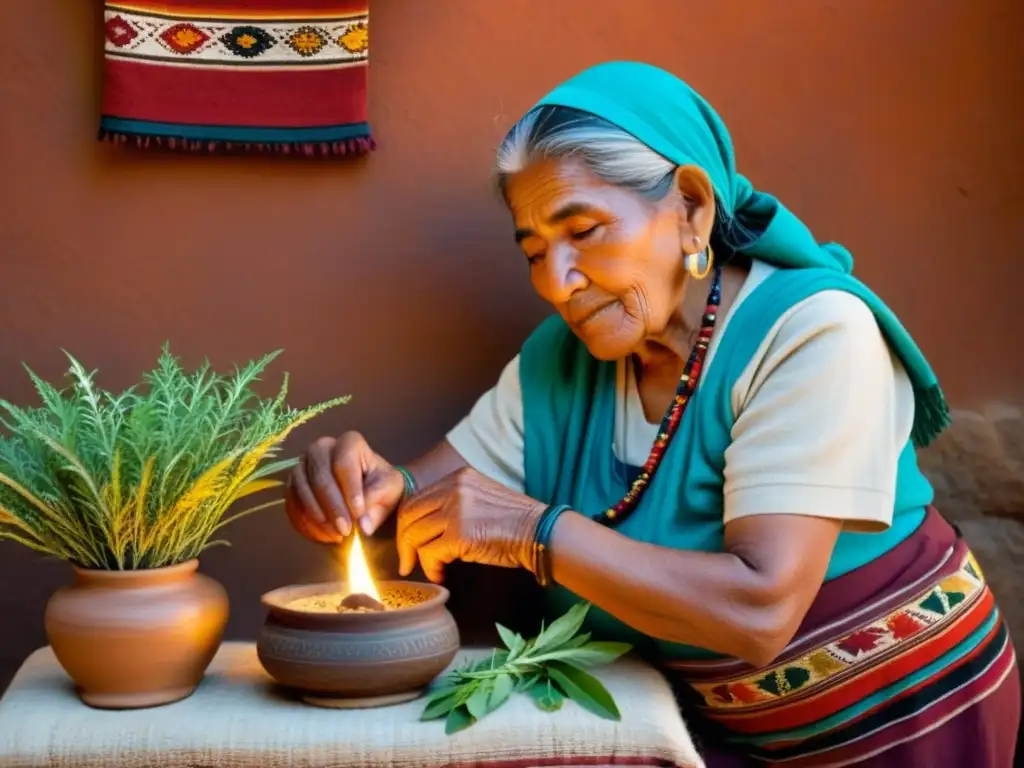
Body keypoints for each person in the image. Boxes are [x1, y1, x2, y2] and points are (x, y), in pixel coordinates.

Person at [285, 62, 1020, 766]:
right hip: (723, 731)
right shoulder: (559, 361)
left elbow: (758, 613)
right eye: (534, 250)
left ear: (692, 208)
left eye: (585, 231)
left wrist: (531, 531)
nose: (557, 282)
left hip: (908, 723)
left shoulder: (813, 332)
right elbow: (421, 499)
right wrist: (358, 488)